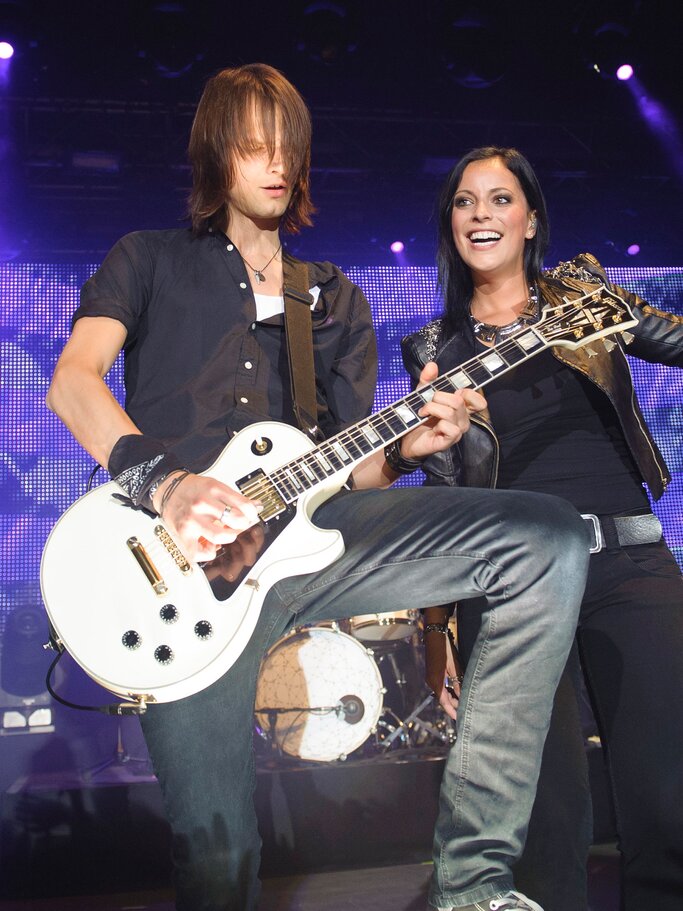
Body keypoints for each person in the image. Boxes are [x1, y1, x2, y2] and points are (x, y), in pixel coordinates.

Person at [46, 70, 590, 911]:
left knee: (546, 540)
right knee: (219, 852)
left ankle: (473, 882)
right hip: (185, 576)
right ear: (214, 153)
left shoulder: (334, 295)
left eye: (288, 148)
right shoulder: (145, 259)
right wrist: (169, 485)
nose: (275, 165)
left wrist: (406, 447)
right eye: (253, 145)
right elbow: (74, 384)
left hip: (317, 543)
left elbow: (350, 468)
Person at [402, 146, 683, 911]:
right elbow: (442, 496)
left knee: (666, 804)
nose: (481, 214)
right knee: (543, 819)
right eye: (465, 202)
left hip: (629, 565)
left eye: (500, 199)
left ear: (529, 220)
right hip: (513, 588)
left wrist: (618, 312)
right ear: (450, 223)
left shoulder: (582, 301)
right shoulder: (432, 350)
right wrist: (436, 636)